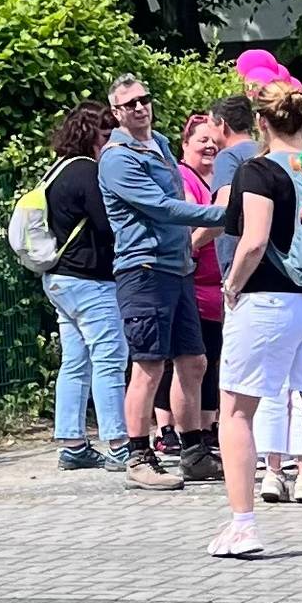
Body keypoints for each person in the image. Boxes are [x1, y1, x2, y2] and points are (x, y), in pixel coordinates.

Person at [213, 82, 302, 560]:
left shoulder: (258, 170)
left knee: (237, 411)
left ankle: (243, 527)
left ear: (262, 123)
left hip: (269, 301)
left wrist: (231, 285)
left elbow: (253, 241)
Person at [98, 75, 226, 490]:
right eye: (130, 104)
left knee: (193, 362)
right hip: (144, 270)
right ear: (117, 112)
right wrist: (224, 215)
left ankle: (193, 452)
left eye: (144, 100)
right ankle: (138, 456)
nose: (140, 108)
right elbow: (161, 207)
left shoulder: (162, 145)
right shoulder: (117, 158)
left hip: (177, 268)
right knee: (148, 365)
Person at [42, 102, 128, 471]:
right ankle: (120, 443)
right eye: (107, 137)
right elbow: (108, 225)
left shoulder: (55, 171)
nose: (111, 144)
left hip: (59, 278)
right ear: (92, 137)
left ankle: (73, 443)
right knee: (110, 358)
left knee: (75, 362)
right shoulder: (89, 174)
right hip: (90, 280)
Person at [175, 114, 227, 431]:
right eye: (201, 140)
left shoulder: (217, 181)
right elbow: (192, 223)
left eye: (213, 140)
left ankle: (207, 428)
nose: (209, 146)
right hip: (195, 285)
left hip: (216, 288)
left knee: (212, 360)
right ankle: (183, 431)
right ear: (185, 145)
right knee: (194, 362)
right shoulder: (185, 178)